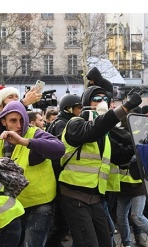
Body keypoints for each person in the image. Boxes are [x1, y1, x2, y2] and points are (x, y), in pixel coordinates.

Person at [57, 85, 142, 247]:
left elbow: (120, 155)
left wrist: (141, 142)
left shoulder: (105, 135)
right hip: (74, 195)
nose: (101, 102)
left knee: (105, 240)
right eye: (96, 99)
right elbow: (93, 129)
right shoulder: (75, 124)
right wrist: (125, 107)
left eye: (105, 99)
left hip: (95, 198)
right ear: (86, 104)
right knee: (88, 243)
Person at [0, 100, 65, 246]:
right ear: (3, 121)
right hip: (12, 206)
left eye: (22, 120)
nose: (19, 125)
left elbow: (59, 149)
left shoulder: (35, 134)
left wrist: (25, 142)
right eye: (13, 121)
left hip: (39, 205)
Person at [45, 93, 83, 247]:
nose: (81, 110)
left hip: (58, 175)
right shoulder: (63, 124)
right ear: (69, 108)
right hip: (61, 176)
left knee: (63, 222)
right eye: (78, 107)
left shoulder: (60, 122)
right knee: (64, 223)